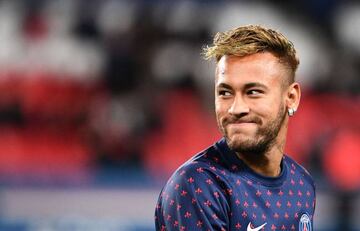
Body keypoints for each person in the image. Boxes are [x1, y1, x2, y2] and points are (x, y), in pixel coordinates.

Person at [154, 25, 315, 231]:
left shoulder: (302, 184)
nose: (236, 108)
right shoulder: (199, 185)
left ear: (291, 98)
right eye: (225, 92)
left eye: (253, 92)